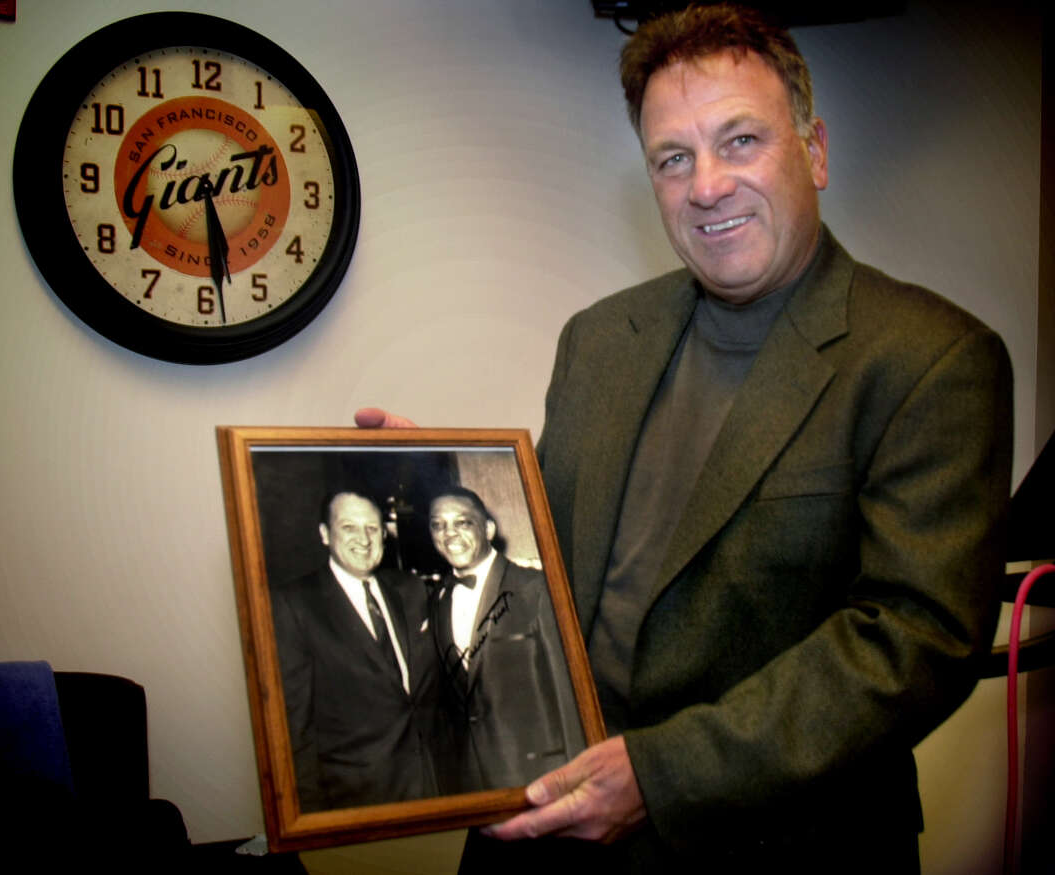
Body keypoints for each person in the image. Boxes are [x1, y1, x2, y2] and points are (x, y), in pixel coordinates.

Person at [358, 3, 1013, 871]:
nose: (706, 184)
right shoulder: (598, 338)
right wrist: (455, 493)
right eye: (674, 158)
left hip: (773, 843)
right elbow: (553, 566)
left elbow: (914, 639)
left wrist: (662, 774)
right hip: (547, 829)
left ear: (814, 152)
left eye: (741, 141)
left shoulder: (932, 359)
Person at [269, 490, 441, 812]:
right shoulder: (295, 604)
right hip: (354, 798)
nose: (363, 539)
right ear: (324, 534)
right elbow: (295, 727)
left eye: (372, 528)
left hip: (432, 785)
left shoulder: (411, 590)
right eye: (349, 527)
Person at [426, 487, 585, 793]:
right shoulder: (436, 601)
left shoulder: (537, 588)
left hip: (541, 776)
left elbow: (569, 694)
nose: (449, 534)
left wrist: (578, 779)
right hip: (475, 783)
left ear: (488, 528)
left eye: (462, 522)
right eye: (438, 525)